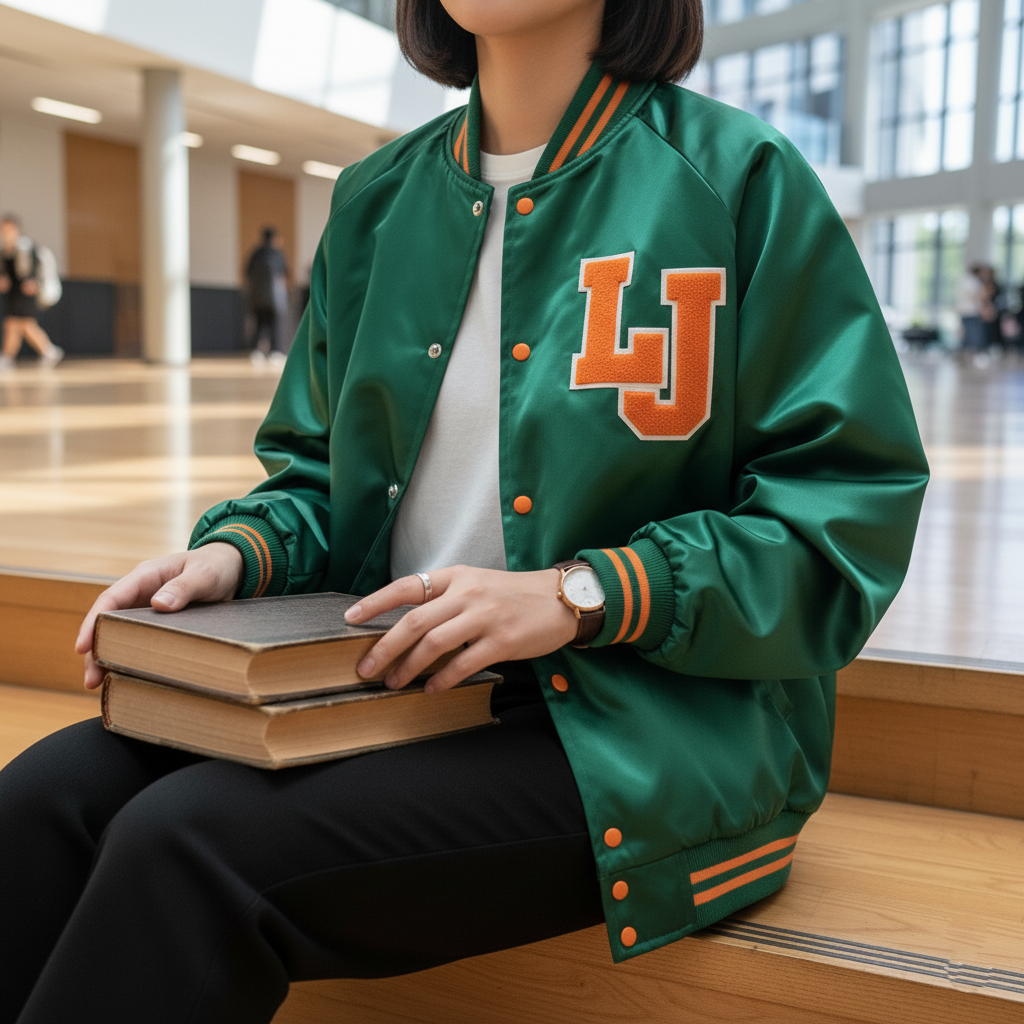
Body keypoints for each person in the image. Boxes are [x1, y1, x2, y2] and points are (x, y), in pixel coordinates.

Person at [0, 1, 929, 1022]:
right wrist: (238, 555)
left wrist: (586, 591)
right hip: (388, 680)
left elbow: (841, 520)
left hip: (641, 722)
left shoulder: (739, 177)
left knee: (187, 844)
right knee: (39, 798)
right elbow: (316, 479)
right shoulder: (376, 198)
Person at [0, 214, 63, 371]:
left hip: (25, 294)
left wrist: (33, 282)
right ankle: (47, 350)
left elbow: (32, 270)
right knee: (20, 325)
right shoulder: (5, 250)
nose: (5, 231)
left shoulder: (25, 247)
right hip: (13, 293)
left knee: (17, 323)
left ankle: (8, 357)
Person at [245, 226, 289, 367]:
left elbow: (247, 272)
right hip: (274, 298)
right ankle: (275, 352)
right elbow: (286, 272)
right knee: (274, 325)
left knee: (259, 324)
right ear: (274, 238)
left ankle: (256, 351)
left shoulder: (255, 253)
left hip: (256, 297)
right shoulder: (278, 254)